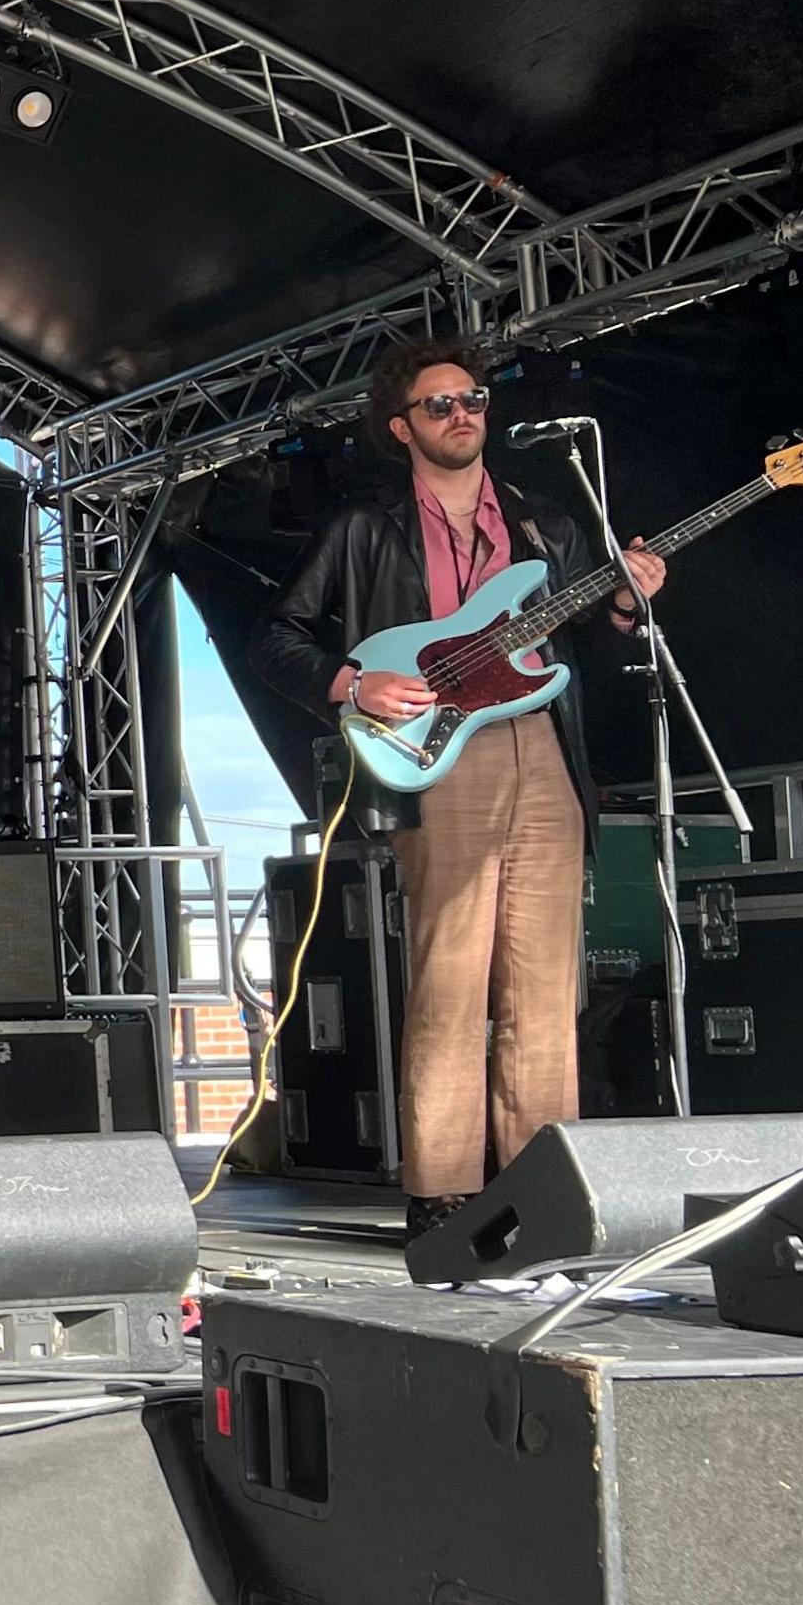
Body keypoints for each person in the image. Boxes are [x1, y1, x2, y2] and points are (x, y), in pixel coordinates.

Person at [255, 336, 663, 1238]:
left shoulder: (544, 524)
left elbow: (578, 635)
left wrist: (627, 603)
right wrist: (354, 686)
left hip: (543, 748)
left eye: (473, 398)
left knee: (546, 987)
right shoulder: (364, 529)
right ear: (401, 427)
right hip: (440, 752)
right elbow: (278, 639)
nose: (463, 414)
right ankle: (441, 1191)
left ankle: (539, 1183)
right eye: (440, 404)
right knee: (451, 974)